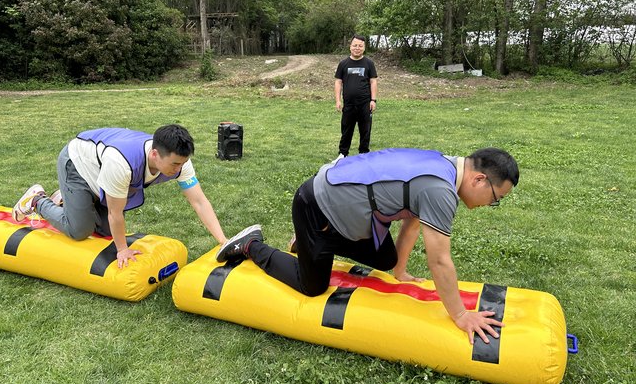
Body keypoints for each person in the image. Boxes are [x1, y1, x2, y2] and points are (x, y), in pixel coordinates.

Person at [216, 147, 519, 345]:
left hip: (340, 205)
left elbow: (413, 222)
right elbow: (439, 261)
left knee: (386, 258)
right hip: (315, 206)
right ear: (479, 179)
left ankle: (313, 242)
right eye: (496, 198)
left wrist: (399, 271)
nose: (491, 204)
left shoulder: (445, 165)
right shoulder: (440, 189)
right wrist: (462, 316)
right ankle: (251, 245)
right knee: (312, 287)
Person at [12, 124, 228, 268]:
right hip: (78, 164)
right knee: (80, 230)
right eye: (175, 164)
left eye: (182, 163)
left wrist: (222, 241)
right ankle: (37, 200)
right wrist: (122, 250)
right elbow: (115, 213)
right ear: (155, 154)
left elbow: (199, 201)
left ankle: (67, 198)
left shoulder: (180, 162)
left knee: (106, 233)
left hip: (103, 171)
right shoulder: (122, 164)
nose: (179, 169)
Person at [334, 34, 378, 158]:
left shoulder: (369, 63)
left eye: (360, 46)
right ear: (350, 46)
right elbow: (338, 82)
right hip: (349, 104)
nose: (357, 48)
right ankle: (343, 153)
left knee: (365, 130)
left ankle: (364, 154)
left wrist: (373, 100)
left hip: (365, 103)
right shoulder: (343, 64)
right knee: (346, 129)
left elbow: (373, 81)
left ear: (364, 48)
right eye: (355, 45)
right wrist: (338, 100)